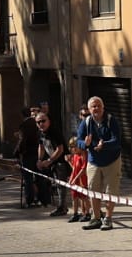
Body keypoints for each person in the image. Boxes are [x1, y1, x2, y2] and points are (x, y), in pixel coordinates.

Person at [76, 96, 123, 230]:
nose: (96, 108)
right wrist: (85, 143)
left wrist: (104, 145)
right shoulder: (86, 122)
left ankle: (108, 218)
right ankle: (96, 218)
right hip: (94, 161)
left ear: (103, 108)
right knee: (93, 189)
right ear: (89, 109)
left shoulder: (111, 120)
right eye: (93, 106)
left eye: (98, 106)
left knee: (111, 190)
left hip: (111, 160)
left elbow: (117, 141)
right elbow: (78, 140)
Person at [34, 111, 67, 214]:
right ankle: (61, 206)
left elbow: (60, 149)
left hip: (63, 161)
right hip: (53, 162)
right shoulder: (40, 132)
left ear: (49, 121)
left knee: (62, 185)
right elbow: (41, 146)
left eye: (43, 121)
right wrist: (39, 159)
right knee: (57, 184)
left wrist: (49, 160)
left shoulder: (54, 131)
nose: (41, 124)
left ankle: (62, 207)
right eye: (38, 122)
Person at [15, 108, 43, 208]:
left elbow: (22, 141)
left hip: (28, 155)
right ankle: (41, 199)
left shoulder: (24, 125)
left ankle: (29, 200)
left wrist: (17, 153)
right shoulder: (36, 124)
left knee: (28, 179)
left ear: (22, 115)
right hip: (38, 154)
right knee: (39, 177)